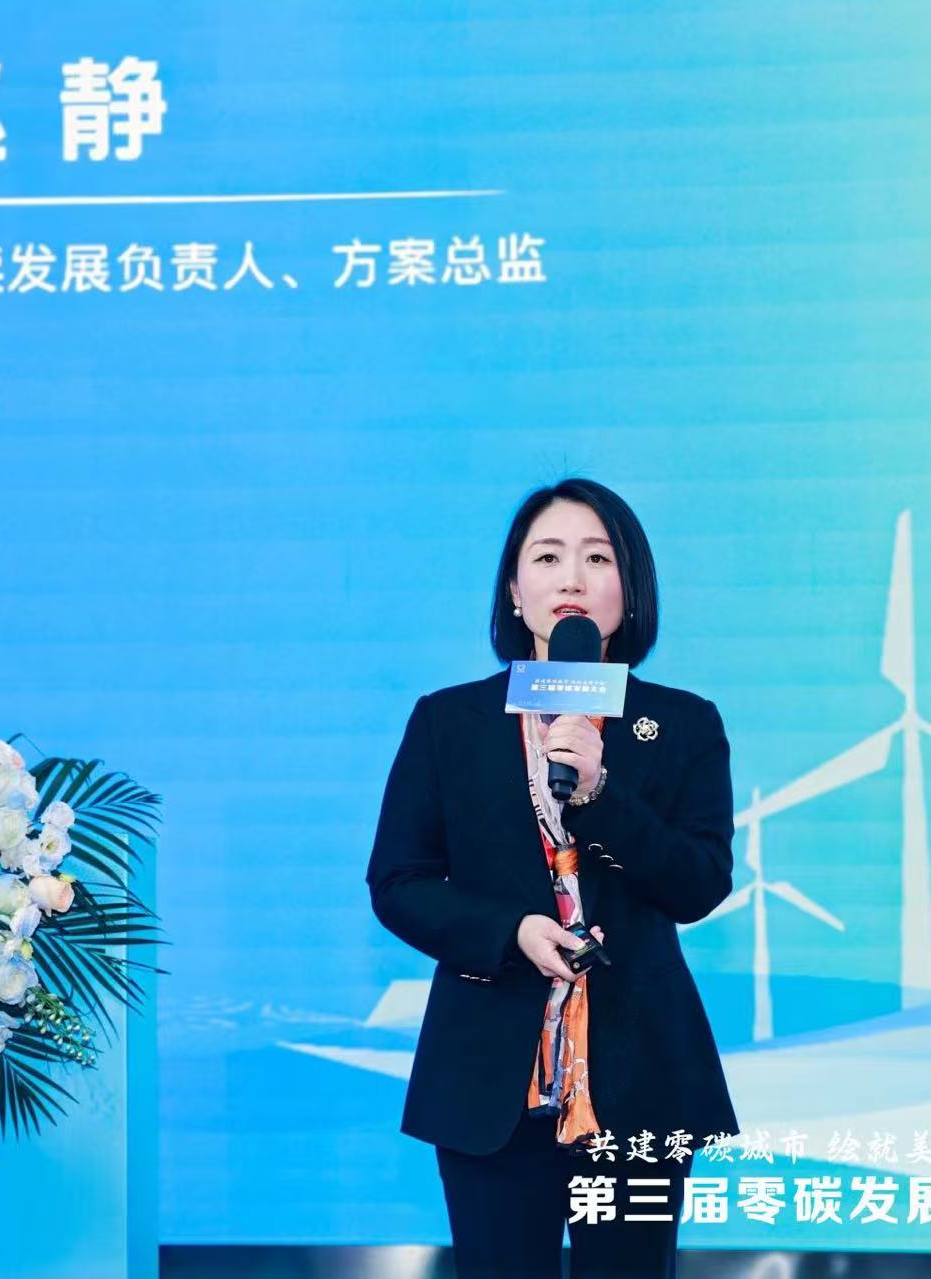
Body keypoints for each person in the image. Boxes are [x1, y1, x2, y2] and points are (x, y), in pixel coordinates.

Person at [366, 478, 739, 1279]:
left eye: (597, 558)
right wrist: (511, 932)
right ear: (514, 587)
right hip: (490, 1080)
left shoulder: (682, 723)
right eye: (548, 557)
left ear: (629, 589)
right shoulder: (449, 722)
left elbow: (701, 882)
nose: (571, 577)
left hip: (637, 1077)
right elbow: (398, 881)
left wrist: (601, 793)